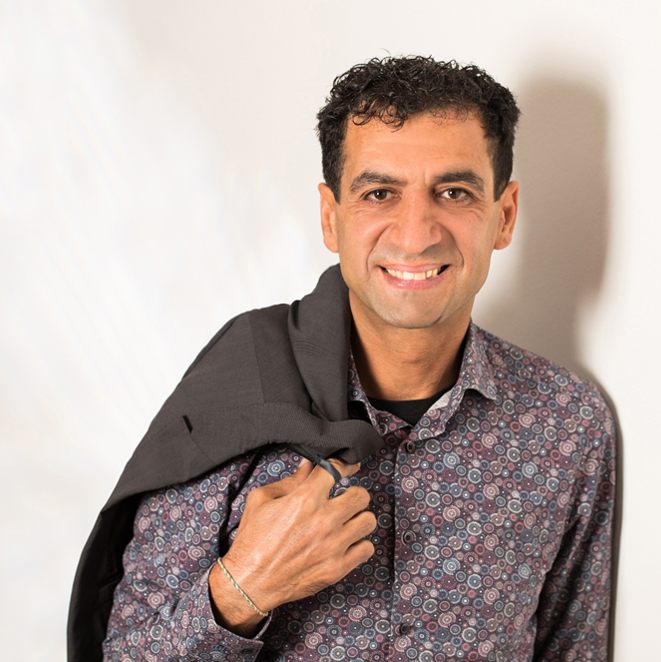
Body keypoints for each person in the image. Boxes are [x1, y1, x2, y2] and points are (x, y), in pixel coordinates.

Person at [68, 56, 616, 662]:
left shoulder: (565, 424)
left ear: (503, 216)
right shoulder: (236, 396)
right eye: (380, 193)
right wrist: (244, 589)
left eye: (453, 193)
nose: (415, 234)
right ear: (331, 218)